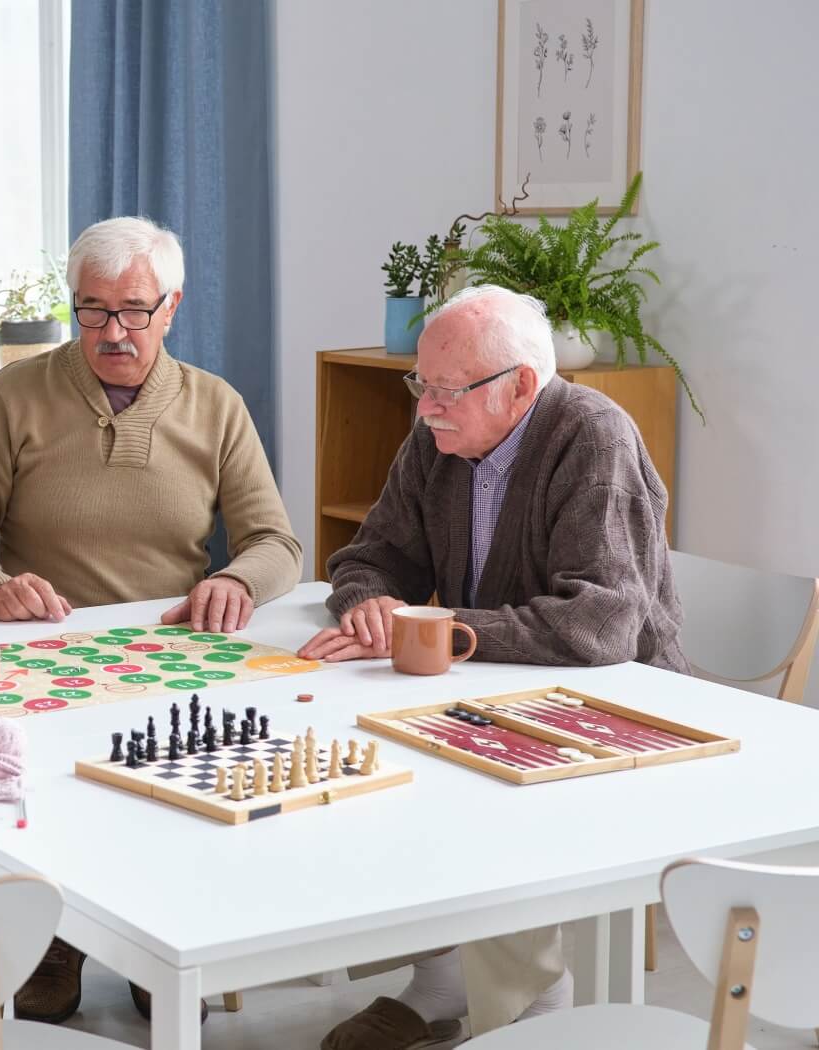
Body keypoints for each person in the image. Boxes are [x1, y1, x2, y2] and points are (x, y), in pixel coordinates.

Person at [0, 215, 303, 1023]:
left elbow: (278, 543)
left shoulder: (216, 406)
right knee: (45, 794)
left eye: (134, 310)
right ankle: (50, 943)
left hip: (171, 657)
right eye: (91, 310)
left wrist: (237, 580)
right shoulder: (16, 395)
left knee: (172, 794)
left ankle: (163, 940)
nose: (112, 331)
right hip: (44, 652)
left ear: (171, 308)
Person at [300, 285, 686, 1048]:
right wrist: (371, 603)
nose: (425, 409)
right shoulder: (438, 438)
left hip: (620, 702)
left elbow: (602, 624)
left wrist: (443, 631)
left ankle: (533, 1007)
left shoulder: (592, 435)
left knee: (474, 788)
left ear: (520, 387)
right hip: (500, 684)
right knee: (370, 749)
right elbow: (371, 555)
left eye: (447, 390)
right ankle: (442, 981)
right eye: (422, 385)